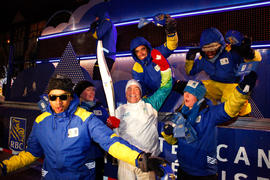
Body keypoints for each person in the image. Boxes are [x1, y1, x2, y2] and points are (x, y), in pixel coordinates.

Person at [0, 74, 168, 179]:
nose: (58, 103)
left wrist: (138, 158)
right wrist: (5, 166)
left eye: (63, 97)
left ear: (70, 97)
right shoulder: (41, 121)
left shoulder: (85, 118)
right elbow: (31, 153)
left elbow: (111, 142)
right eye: (53, 97)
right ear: (48, 97)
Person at [161, 71, 257, 179]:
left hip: (204, 173)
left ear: (198, 96)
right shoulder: (180, 114)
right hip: (183, 169)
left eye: (191, 93)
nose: (186, 95)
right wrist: (168, 133)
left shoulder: (210, 114)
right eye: (185, 92)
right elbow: (174, 141)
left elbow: (230, 108)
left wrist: (242, 91)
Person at [106, 50, 172, 179]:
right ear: (125, 94)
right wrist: (110, 126)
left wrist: (164, 67)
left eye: (136, 88)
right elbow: (112, 135)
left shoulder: (150, 104)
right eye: (129, 89)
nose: (132, 91)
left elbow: (166, 87)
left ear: (140, 92)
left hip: (148, 159)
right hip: (126, 160)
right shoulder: (119, 110)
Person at [184, 27, 261, 116]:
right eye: (206, 49)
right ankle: (205, 114)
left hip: (231, 84)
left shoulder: (230, 52)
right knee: (195, 89)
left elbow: (256, 60)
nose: (210, 53)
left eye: (213, 48)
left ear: (220, 45)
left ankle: (245, 115)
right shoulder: (203, 59)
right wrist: (190, 59)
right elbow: (190, 71)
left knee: (230, 99)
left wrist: (250, 53)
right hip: (214, 84)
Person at [131, 14, 178, 96]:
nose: (141, 53)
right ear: (134, 54)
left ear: (147, 48)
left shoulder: (156, 53)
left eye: (143, 49)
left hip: (172, 91)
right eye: (137, 51)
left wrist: (171, 33)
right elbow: (140, 85)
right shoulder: (137, 67)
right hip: (156, 96)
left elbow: (171, 46)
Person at [74, 80, 109, 180]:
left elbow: (105, 128)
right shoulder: (74, 109)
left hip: (97, 154)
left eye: (93, 90)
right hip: (81, 155)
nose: (92, 92)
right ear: (80, 93)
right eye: (88, 90)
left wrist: (109, 125)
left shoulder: (99, 107)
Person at [89, 11, 117, 80]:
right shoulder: (109, 24)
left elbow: (98, 35)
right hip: (107, 55)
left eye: (97, 17)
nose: (95, 19)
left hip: (105, 56)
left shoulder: (106, 22)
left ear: (101, 16)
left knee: (97, 78)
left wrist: (93, 29)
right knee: (102, 79)